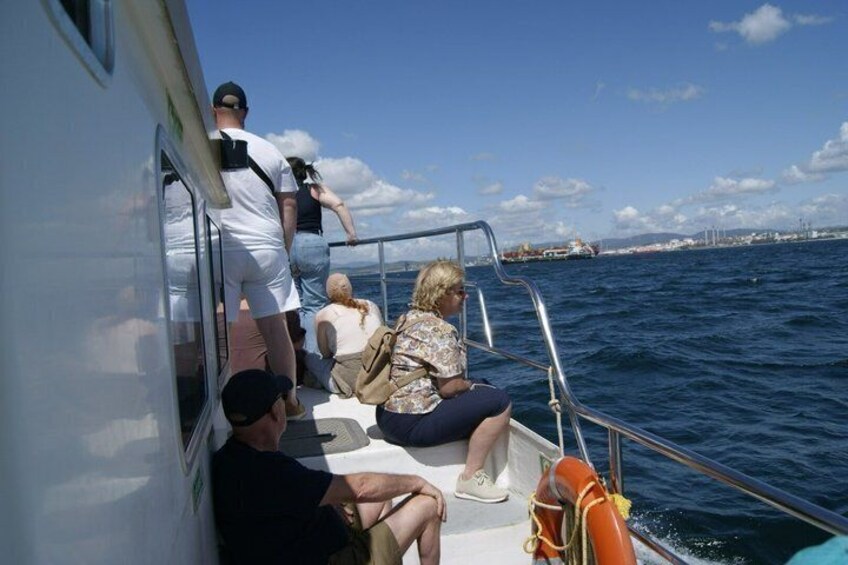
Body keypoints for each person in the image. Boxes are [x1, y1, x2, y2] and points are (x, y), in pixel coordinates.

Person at [213, 369, 445, 565]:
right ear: (275, 411)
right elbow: (361, 487)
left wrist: (325, 504)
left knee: (380, 497)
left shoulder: (229, 460)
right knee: (428, 505)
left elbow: (283, 504)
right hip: (332, 558)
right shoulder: (275, 474)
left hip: (308, 542)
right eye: (282, 398)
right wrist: (417, 482)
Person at [376, 260, 512, 503]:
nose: (465, 296)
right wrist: (469, 385)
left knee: (481, 386)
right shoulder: (441, 331)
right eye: (460, 291)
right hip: (411, 426)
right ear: (442, 294)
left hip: (387, 417)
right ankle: (471, 477)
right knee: (499, 400)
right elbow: (449, 389)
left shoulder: (408, 318)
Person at [212, 81, 304, 419]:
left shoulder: (201, 147)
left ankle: (225, 408)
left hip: (219, 245)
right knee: (275, 327)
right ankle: (289, 402)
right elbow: (289, 204)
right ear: (246, 112)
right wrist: (283, 249)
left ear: (213, 111)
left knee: (220, 328)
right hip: (266, 245)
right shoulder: (269, 151)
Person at [287, 157, 358, 356]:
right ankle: (315, 357)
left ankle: (298, 355)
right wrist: (351, 234)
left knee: (295, 304)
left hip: (287, 245)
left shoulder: (280, 194)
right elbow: (339, 205)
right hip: (311, 244)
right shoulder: (314, 189)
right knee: (314, 305)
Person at [309, 273, 383, 397]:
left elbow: (326, 354)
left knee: (310, 359)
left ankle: (317, 381)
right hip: (379, 373)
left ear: (328, 293)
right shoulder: (371, 305)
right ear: (350, 288)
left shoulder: (323, 315)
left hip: (351, 380)